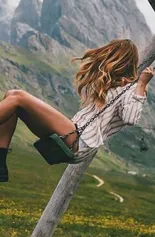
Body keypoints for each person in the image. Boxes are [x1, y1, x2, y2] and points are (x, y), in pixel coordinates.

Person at [0, 38, 153, 182]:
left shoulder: (134, 90)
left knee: (18, 97)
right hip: (71, 135)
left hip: (79, 141)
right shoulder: (113, 84)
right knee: (11, 95)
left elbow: (130, 118)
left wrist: (141, 84)